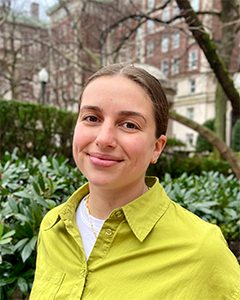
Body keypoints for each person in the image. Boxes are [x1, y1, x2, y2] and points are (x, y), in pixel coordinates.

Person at [30, 63, 240, 300]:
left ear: (157, 148)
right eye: (92, 118)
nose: (104, 139)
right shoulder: (52, 228)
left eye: (129, 124)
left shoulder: (202, 250)